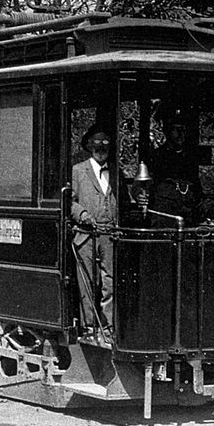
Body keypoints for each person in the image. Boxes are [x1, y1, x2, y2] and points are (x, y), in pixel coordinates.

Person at [70, 126, 117, 338]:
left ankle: (108, 327)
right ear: (89, 145)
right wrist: (82, 214)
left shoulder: (115, 172)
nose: (101, 147)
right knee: (87, 281)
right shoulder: (78, 171)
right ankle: (89, 327)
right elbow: (69, 202)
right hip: (86, 234)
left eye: (106, 142)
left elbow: (123, 198)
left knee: (110, 281)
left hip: (109, 234)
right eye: (97, 142)